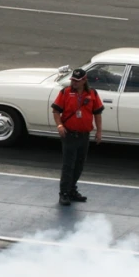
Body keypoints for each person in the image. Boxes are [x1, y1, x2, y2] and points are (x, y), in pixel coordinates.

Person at [51, 68, 103, 206]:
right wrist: (60, 126)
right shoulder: (65, 92)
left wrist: (99, 131)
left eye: (77, 81)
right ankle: (64, 193)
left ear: (84, 81)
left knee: (79, 165)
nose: (74, 82)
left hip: (84, 135)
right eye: (73, 80)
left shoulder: (92, 94)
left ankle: (72, 190)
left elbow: (97, 113)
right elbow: (56, 111)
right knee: (68, 165)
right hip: (69, 134)